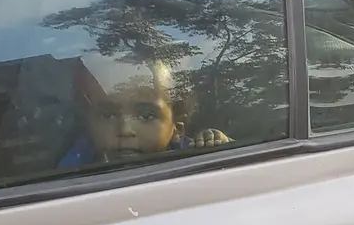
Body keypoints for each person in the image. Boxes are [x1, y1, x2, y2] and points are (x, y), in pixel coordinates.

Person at [58, 55, 232, 169]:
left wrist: (221, 146)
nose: (125, 130)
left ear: (177, 129)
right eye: (108, 115)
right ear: (89, 124)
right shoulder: (76, 164)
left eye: (146, 116)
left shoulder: (192, 152)